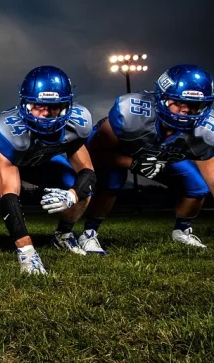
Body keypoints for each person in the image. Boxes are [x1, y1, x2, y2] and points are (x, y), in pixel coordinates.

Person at [0, 66, 97, 274]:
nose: (45, 113)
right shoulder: (8, 130)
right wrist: (26, 250)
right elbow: (9, 196)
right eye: (38, 105)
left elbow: (88, 172)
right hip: (3, 157)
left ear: (67, 105)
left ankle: (63, 235)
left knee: (83, 189)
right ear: (25, 104)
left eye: (54, 106)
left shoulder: (78, 123)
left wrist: (72, 194)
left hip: (39, 161)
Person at [82, 64, 214, 253]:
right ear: (162, 97)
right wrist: (132, 162)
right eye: (179, 102)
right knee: (112, 183)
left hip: (162, 154)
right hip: (120, 150)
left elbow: (211, 173)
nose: (186, 111)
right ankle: (89, 232)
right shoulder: (130, 113)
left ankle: (182, 231)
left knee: (196, 187)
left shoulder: (206, 130)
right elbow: (95, 150)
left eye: (194, 105)